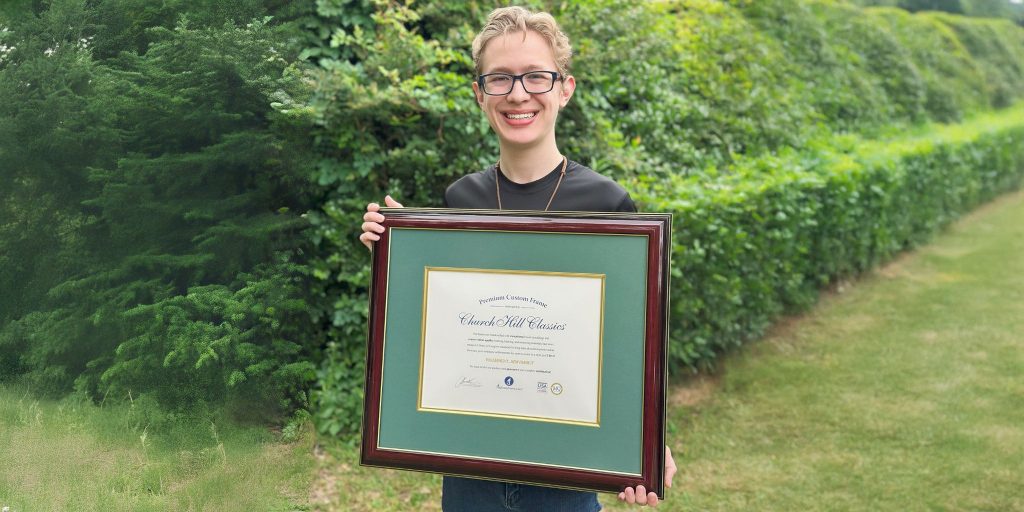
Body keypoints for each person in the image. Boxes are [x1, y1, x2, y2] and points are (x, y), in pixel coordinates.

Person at [359, 6, 677, 510]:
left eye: (536, 76)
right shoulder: (460, 199)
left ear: (564, 88)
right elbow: (440, 334)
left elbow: (624, 345)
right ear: (479, 93)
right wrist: (393, 254)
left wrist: (643, 444)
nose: (518, 93)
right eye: (500, 78)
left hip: (563, 479)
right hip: (470, 473)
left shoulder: (609, 206)